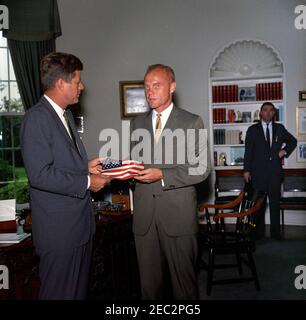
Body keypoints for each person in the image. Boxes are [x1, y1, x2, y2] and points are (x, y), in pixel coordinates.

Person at [20, 52, 111, 299]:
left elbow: (60, 163)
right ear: (61, 83)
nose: (82, 86)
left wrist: (86, 166)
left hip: (79, 229)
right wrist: (87, 181)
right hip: (59, 234)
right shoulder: (36, 118)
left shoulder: (65, 115)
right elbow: (39, 174)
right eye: (77, 80)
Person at [130, 64, 209, 299]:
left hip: (178, 217)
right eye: (146, 87)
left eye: (156, 85)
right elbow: (139, 164)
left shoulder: (192, 121)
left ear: (172, 87)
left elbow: (202, 168)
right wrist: (124, 171)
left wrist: (163, 174)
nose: (149, 92)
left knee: (184, 288)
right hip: (144, 218)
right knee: (149, 289)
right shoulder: (137, 124)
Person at [243, 102, 297, 239]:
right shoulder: (252, 130)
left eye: (271, 110)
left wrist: (284, 151)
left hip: (275, 173)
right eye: (265, 110)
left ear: (274, 113)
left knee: (274, 203)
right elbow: (248, 152)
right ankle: (258, 233)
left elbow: (293, 141)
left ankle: (275, 233)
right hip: (257, 173)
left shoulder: (280, 128)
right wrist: (246, 170)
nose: (268, 112)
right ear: (260, 113)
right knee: (258, 205)